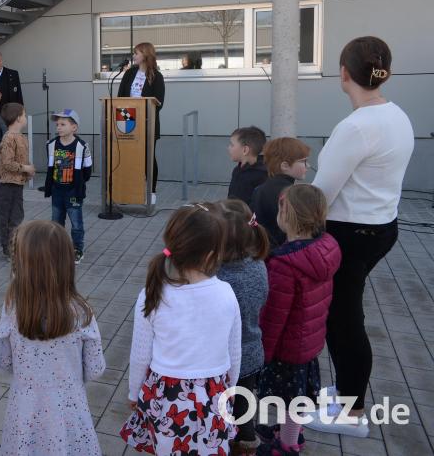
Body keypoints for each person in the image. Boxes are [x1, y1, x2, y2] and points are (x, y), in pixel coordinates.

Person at [307, 36, 414, 437]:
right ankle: (346, 392)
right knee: (346, 315)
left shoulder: (356, 127)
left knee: (344, 321)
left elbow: (321, 196)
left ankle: (351, 412)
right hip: (381, 227)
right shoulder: (396, 115)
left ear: (345, 73)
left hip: (351, 233)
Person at [120, 203, 241, 455]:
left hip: (167, 397)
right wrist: (230, 389)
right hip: (213, 394)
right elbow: (234, 352)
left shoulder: (152, 294)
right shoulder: (226, 294)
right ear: (211, 254)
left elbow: (140, 354)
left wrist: (134, 391)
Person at [0, 220, 105, 454]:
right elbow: (95, 367)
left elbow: (5, 362)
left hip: (25, 412)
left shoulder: (12, 308)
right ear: (66, 262)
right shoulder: (81, 311)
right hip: (69, 412)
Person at [257, 185, 340, 456]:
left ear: (286, 214)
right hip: (308, 340)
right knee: (297, 395)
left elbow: (273, 317)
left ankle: (287, 445)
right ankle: (289, 432)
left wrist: (264, 353)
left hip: (287, 349)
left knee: (290, 399)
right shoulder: (325, 248)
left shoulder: (284, 264)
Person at [215, 199, 270, 455]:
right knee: (245, 406)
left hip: (227, 359)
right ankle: (248, 444)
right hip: (252, 352)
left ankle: (222, 444)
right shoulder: (258, 264)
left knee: (224, 408)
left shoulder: (220, 278)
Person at [43, 110, 92, 265]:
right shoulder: (51, 144)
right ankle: (57, 248)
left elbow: (87, 170)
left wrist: (77, 184)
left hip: (73, 191)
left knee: (76, 223)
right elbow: (50, 167)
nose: (58, 127)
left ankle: (77, 249)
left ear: (74, 128)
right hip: (57, 190)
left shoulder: (82, 146)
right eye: (57, 124)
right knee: (56, 222)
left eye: (63, 124)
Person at [117, 42, 165, 197]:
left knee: (148, 158)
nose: (134, 56)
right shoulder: (129, 73)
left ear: (145, 55)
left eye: (136, 53)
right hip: (128, 121)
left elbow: (159, 102)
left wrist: (141, 110)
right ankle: (128, 190)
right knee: (128, 157)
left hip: (147, 123)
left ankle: (151, 192)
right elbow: (120, 98)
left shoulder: (157, 76)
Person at [250, 137, 310, 248]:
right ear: (285, 166)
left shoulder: (260, 189)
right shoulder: (291, 193)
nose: (308, 166)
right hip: (282, 252)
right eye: (303, 161)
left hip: (263, 250)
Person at [0, 103, 34, 257]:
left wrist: (28, 172)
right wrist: (25, 168)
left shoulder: (21, 138)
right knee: (6, 218)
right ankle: (8, 249)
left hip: (16, 185)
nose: (25, 117)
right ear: (18, 119)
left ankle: (14, 246)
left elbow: (21, 159)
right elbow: (8, 163)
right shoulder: (8, 138)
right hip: (4, 186)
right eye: (24, 115)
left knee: (17, 216)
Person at [227, 126, 267, 205]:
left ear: (245, 150)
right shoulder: (237, 169)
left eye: (232, 145)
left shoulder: (261, 175)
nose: (228, 148)